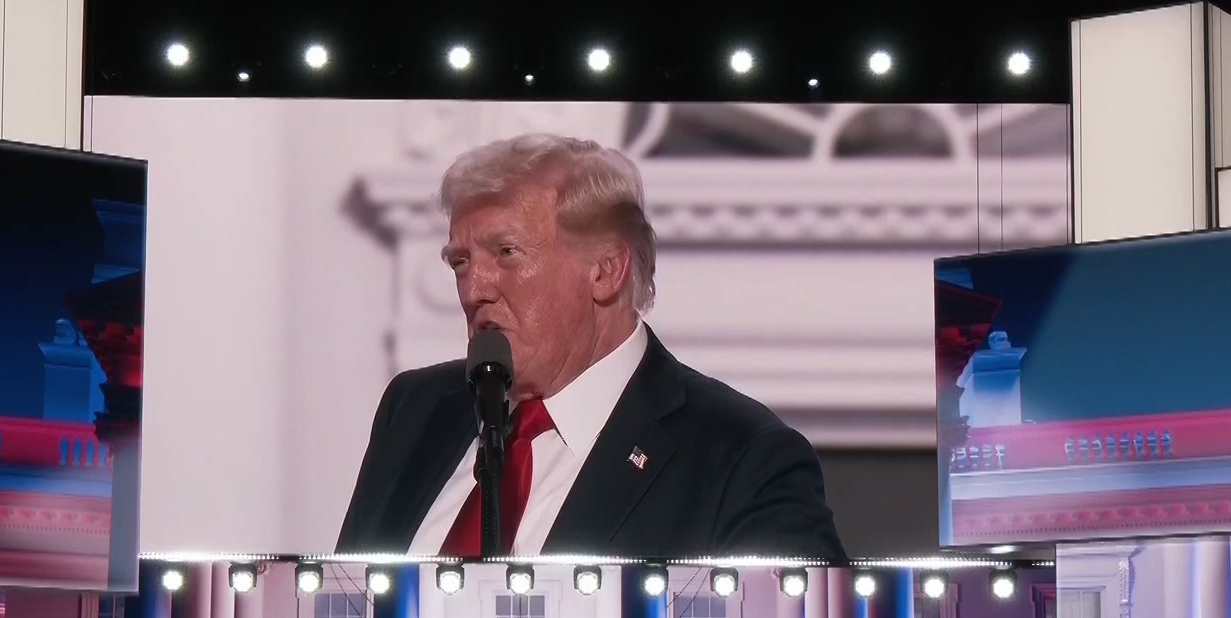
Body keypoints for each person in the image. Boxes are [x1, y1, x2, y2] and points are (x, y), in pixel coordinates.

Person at [334, 133, 848, 563]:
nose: (474, 290)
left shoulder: (741, 459)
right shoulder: (417, 409)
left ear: (605, 270)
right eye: (461, 262)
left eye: (506, 253)